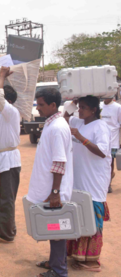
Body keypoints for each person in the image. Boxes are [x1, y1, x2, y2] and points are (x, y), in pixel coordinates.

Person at [27, 88, 73, 277]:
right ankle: (55, 262)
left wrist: (55, 192)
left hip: (54, 191)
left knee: (56, 229)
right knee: (51, 227)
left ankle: (59, 270)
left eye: (41, 105)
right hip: (49, 188)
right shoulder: (50, 124)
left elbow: (59, 162)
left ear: (53, 105)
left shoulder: (58, 127)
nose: (37, 108)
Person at [64, 96, 111, 272]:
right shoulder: (80, 121)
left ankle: (91, 261)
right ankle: (78, 255)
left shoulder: (100, 126)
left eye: (83, 107)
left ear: (93, 110)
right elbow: (65, 116)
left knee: (91, 219)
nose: (80, 110)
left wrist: (80, 137)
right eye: (80, 107)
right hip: (79, 179)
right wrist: (74, 102)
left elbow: (102, 151)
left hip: (94, 179)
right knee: (78, 216)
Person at [0, 66, 21, 244]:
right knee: (6, 197)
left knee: (7, 198)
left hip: (9, 160)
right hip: (6, 159)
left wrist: (1, 76)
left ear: (6, 101)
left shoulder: (10, 111)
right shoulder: (6, 114)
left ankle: (6, 234)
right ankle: (8, 229)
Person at [100, 96, 121, 193]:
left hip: (113, 140)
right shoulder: (99, 105)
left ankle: (108, 184)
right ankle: (107, 178)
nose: (105, 98)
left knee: (110, 162)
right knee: (102, 162)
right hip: (101, 140)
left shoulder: (117, 107)